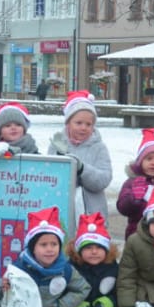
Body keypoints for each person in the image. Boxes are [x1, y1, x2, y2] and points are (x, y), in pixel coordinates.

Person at [5, 207, 91, 307]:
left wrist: (61, 306)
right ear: (33, 247)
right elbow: (6, 291)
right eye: (43, 245)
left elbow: (82, 288)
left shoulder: (64, 269)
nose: (49, 249)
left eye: (54, 244)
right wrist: (6, 289)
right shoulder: (20, 268)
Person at [63, 212, 123, 307]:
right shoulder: (70, 267)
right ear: (79, 250)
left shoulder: (113, 267)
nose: (94, 252)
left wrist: (109, 302)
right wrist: (74, 306)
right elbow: (62, 291)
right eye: (88, 248)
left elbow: (118, 291)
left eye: (99, 247)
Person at [48, 90, 113, 218]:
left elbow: (103, 180)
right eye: (78, 123)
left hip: (92, 214)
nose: (83, 128)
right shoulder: (57, 144)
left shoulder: (99, 147)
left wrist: (83, 169)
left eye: (88, 124)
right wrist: (60, 162)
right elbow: (49, 177)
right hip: (62, 210)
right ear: (68, 123)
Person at [116, 128, 154, 240]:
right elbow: (123, 208)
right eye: (149, 159)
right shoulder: (131, 183)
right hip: (136, 233)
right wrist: (134, 200)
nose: (153, 162)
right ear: (140, 161)